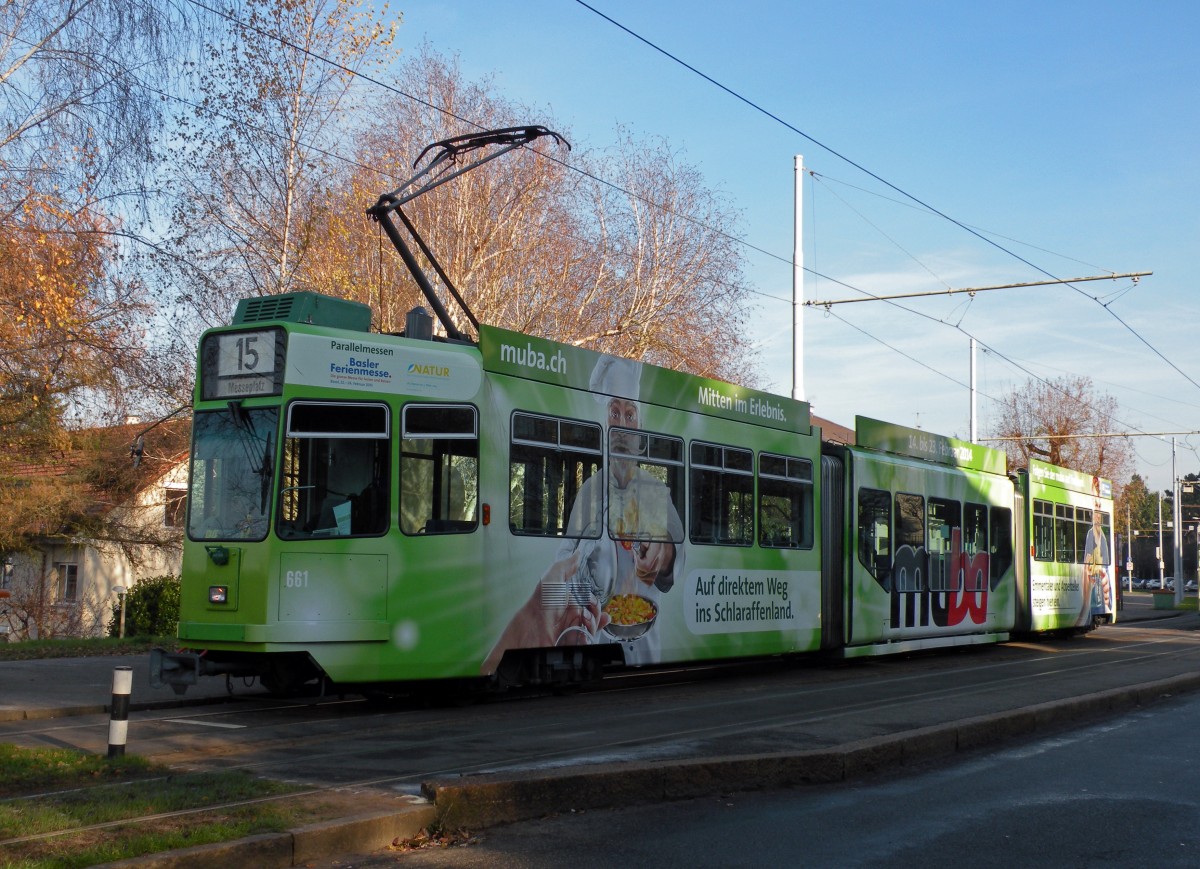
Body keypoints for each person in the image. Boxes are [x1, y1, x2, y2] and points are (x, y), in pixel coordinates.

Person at [482, 355, 685, 674]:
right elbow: (564, 559)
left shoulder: (656, 492)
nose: (622, 426)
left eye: (630, 415)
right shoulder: (590, 490)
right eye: (614, 413)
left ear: (640, 429)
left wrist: (665, 552)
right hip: (598, 638)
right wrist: (547, 606)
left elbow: (677, 544)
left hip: (647, 647)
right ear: (603, 426)